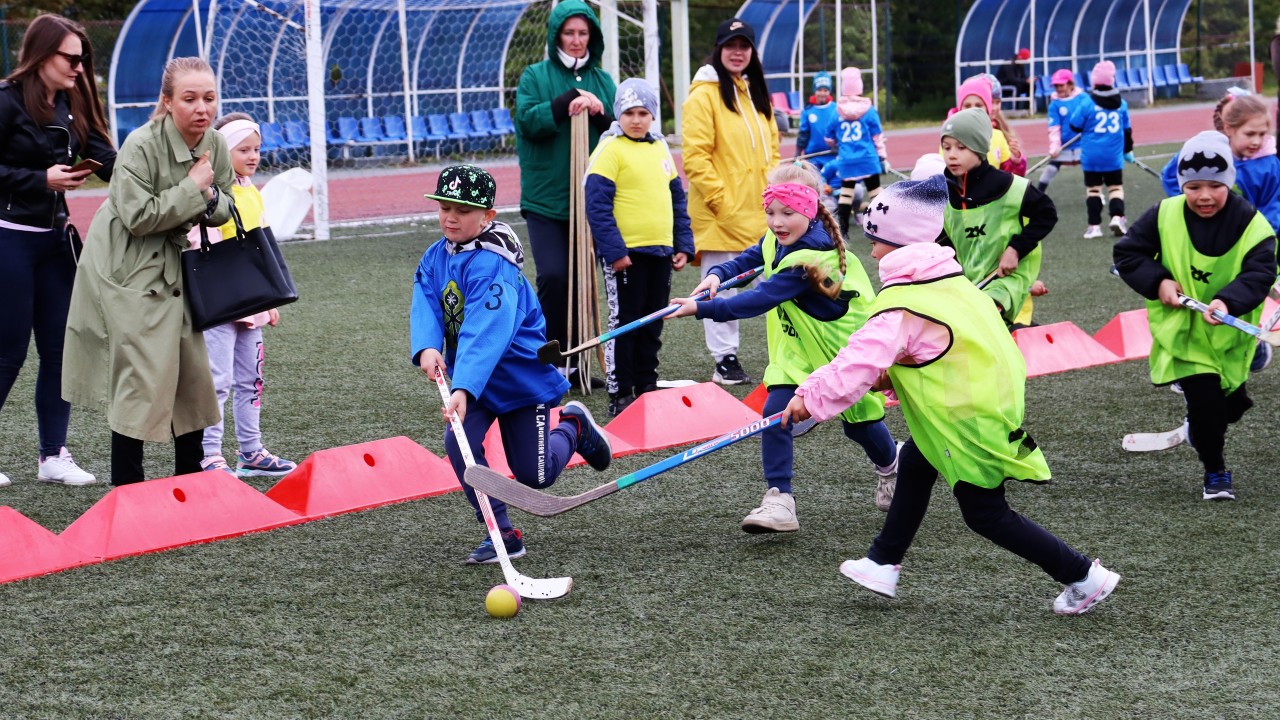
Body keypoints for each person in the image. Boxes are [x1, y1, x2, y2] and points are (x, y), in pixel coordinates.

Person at [782, 175, 1121, 615]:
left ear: (900, 241)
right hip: (976, 406)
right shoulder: (949, 279)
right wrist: (892, 374)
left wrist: (810, 398)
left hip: (965, 419)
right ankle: (883, 561)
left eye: (877, 240)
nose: (872, 250)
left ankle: (1083, 575)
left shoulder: (902, 300)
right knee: (917, 463)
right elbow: (937, 347)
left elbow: (856, 363)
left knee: (985, 514)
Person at [667, 162, 900, 530]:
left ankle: (891, 467)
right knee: (776, 415)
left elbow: (757, 300)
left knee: (861, 425)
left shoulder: (809, 261)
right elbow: (750, 257)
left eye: (787, 213)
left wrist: (699, 308)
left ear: (808, 211)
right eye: (771, 212)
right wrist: (716, 275)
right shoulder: (779, 238)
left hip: (841, 354)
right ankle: (780, 500)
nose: (777, 222)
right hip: (795, 352)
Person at [411, 165, 614, 564]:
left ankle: (574, 426)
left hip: (521, 380)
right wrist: (426, 347)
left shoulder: (495, 265)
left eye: (462, 210)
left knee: (535, 475)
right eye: (444, 207)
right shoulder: (436, 255)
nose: (450, 217)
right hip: (476, 382)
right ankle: (502, 532)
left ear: (488, 216)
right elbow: (426, 300)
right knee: (460, 444)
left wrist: (463, 387)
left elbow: (486, 331)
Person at [63, 56, 234, 486]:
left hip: (177, 266)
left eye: (209, 98)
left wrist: (209, 196)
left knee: (192, 376)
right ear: (167, 102)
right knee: (139, 376)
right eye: (190, 98)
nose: (202, 108)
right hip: (125, 266)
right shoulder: (140, 145)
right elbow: (138, 218)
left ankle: (191, 483)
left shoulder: (216, 143)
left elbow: (227, 205)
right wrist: (194, 188)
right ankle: (128, 489)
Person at [1113, 132, 1277, 502]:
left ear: (1229, 182)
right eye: (1194, 186)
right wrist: (1159, 282)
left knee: (1231, 405)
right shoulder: (1164, 213)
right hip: (1184, 332)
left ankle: (1202, 428)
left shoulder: (1252, 225)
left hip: (1229, 336)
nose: (1204, 195)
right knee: (1205, 405)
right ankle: (1215, 472)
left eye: (1215, 186)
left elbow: (1260, 272)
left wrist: (1227, 301)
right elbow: (1127, 255)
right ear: (1182, 184)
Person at [0, 13, 115, 488]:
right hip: (9, 236)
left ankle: (53, 455)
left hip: (56, 241)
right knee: (7, 352)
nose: (79, 66)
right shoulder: (6, 100)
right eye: (72, 57)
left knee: (58, 350)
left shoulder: (73, 100)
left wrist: (148, 155)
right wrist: (38, 179)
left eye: (84, 59)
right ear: (42, 53)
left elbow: (105, 156)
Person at [184, 113, 296, 478]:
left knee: (253, 379)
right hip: (219, 302)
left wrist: (269, 300)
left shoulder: (251, 191)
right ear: (219, 150)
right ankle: (211, 454)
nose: (252, 156)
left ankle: (250, 451)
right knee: (217, 381)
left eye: (257, 149)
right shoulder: (209, 191)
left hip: (251, 302)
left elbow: (261, 248)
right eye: (243, 149)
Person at [514, 0, 616, 389]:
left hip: (593, 200)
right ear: (557, 34)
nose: (576, 40)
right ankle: (552, 358)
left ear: (592, 36)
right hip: (546, 200)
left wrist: (599, 112)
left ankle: (587, 358)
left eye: (583, 33)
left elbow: (622, 132)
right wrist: (565, 101)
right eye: (569, 33)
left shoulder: (603, 81)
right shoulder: (535, 76)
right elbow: (527, 121)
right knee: (555, 277)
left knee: (591, 281)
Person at [584, 78, 694, 417]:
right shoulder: (610, 149)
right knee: (626, 323)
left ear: (653, 116)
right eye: (629, 112)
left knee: (653, 321)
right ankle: (620, 392)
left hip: (660, 252)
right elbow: (597, 205)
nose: (636, 119)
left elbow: (677, 198)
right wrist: (615, 252)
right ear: (619, 115)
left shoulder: (660, 148)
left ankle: (647, 384)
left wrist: (683, 243)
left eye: (643, 112)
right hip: (626, 258)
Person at [682, 17, 780, 386]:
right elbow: (696, 158)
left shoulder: (755, 91)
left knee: (778, 282)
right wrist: (722, 202)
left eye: (744, 46)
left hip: (761, 211)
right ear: (719, 49)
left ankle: (787, 353)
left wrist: (773, 193)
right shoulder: (703, 94)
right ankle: (725, 360)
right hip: (720, 215)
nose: (737, 52)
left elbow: (772, 148)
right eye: (730, 45)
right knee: (720, 285)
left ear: (752, 52)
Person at [940, 108, 1056, 327]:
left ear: (980, 148)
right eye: (946, 148)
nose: (951, 155)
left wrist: (1015, 249)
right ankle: (1028, 333)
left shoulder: (1011, 185)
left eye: (961, 147)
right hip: (971, 283)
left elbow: (1047, 213)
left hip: (1008, 280)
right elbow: (944, 239)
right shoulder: (944, 193)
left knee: (985, 316)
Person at [1067, 60, 1134, 239]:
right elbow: (1127, 131)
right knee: (1115, 188)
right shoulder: (1122, 104)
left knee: (1094, 190)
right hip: (1113, 156)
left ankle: (1094, 227)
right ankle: (1118, 217)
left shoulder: (1087, 102)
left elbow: (1074, 125)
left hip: (1091, 156)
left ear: (1094, 81)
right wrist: (1128, 151)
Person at [825, 66, 887, 237]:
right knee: (875, 193)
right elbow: (877, 136)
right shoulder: (868, 109)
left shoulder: (837, 111)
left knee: (846, 194)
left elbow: (828, 137)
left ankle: (842, 231)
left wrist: (838, 142)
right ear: (859, 86)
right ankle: (885, 228)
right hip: (867, 157)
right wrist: (882, 154)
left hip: (846, 159)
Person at [953, 75, 1025, 176]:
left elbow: (1011, 175)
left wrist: (1016, 159)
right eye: (991, 102)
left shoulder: (999, 134)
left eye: (998, 102)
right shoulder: (951, 134)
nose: (994, 108)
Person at [1037, 68, 1089, 193]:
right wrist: (1055, 147)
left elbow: (1090, 117)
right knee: (1050, 170)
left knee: (1091, 170)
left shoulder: (1083, 98)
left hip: (1083, 143)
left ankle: (1096, 194)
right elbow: (1054, 128)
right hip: (1064, 145)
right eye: (1056, 85)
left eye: (1061, 85)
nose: (1058, 88)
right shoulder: (1054, 105)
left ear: (1070, 84)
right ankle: (1037, 195)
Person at [795, 71, 837, 170]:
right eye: (819, 90)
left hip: (832, 155)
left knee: (834, 184)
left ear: (829, 91)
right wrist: (798, 151)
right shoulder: (808, 110)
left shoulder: (835, 108)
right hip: (813, 158)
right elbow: (803, 134)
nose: (822, 93)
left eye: (826, 90)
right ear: (814, 90)